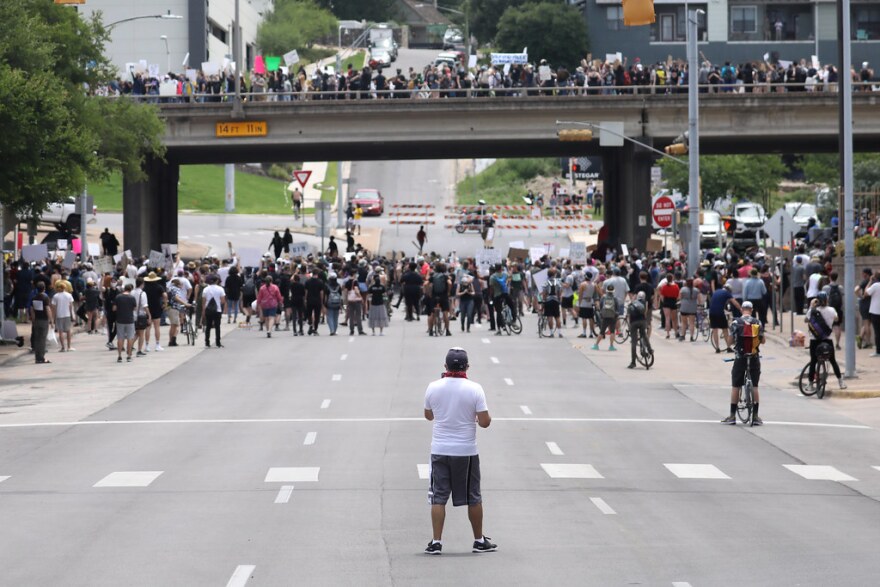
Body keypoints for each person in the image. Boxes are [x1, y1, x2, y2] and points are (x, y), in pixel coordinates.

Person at [423, 347, 496, 555]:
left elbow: (428, 415)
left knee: (438, 496)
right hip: (466, 451)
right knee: (473, 496)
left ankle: (436, 542)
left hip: (440, 449)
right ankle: (479, 540)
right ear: (467, 367)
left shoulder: (433, 387)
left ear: (445, 366)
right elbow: (484, 422)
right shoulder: (475, 389)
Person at [721, 301, 764, 426]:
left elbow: (729, 342)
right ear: (751, 310)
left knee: (736, 386)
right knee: (755, 386)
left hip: (740, 357)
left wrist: (733, 342)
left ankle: (732, 416)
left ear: (742, 310)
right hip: (754, 356)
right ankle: (755, 416)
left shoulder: (735, 323)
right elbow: (763, 340)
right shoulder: (758, 322)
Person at [805, 292, 847, 390]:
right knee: (833, 361)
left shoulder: (813, 310)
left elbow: (806, 320)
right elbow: (836, 319)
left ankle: (811, 384)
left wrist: (811, 306)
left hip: (814, 340)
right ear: (827, 300)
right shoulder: (832, 310)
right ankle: (841, 382)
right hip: (827, 340)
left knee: (813, 361)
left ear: (817, 301)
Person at [709, 283, 740, 353]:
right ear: (729, 290)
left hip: (711, 312)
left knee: (715, 330)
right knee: (725, 329)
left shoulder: (716, 291)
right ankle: (728, 347)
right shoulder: (727, 293)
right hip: (719, 313)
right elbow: (734, 302)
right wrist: (741, 309)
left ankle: (717, 348)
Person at [113, 283, 138, 362]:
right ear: (130, 290)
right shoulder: (132, 298)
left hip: (120, 319)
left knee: (120, 338)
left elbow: (114, 308)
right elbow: (134, 308)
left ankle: (119, 356)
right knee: (130, 337)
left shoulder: (118, 297)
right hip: (130, 320)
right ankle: (129, 355)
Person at [627, 291, 652, 369]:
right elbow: (645, 312)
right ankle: (650, 349)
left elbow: (629, 314)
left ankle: (633, 362)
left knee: (634, 342)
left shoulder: (632, 303)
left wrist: (629, 325)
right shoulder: (645, 302)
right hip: (642, 322)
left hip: (633, 323)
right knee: (644, 335)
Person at [142, 271, 166, 352]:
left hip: (147, 308)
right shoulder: (159, 287)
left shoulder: (145, 288)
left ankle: (147, 345)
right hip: (157, 307)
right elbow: (165, 295)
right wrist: (165, 303)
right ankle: (157, 344)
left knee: (148, 327)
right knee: (157, 327)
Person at [29, 281, 52, 364]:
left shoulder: (34, 298)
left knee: (37, 339)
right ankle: (41, 358)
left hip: (37, 320)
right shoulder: (45, 298)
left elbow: (32, 311)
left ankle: (37, 357)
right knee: (42, 339)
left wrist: (33, 320)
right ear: (44, 288)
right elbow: (47, 309)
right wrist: (51, 321)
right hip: (44, 320)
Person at [201, 275, 227, 348]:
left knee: (208, 326)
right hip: (217, 310)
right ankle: (218, 343)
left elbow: (203, 301)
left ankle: (207, 342)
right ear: (217, 281)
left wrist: (203, 310)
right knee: (217, 326)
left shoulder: (205, 289)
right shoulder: (220, 289)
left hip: (208, 309)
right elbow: (223, 301)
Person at [592, 283, 619, 351]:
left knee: (602, 331)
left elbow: (601, 306)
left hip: (605, 316)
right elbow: (617, 308)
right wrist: (616, 315)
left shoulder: (603, 297)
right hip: (613, 316)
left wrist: (601, 314)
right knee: (612, 331)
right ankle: (611, 346)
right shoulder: (615, 298)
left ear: (607, 290)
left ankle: (596, 345)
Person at [51, 281, 75, 352]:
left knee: (60, 332)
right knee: (68, 331)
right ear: (65, 288)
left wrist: (53, 317)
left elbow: (54, 307)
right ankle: (69, 346)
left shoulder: (55, 296)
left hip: (59, 315)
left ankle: (63, 347)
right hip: (67, 314)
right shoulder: (69, 295)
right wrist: (71, 315)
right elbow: (71, 306)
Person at [540, 268, 563, 338]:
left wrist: (543, 302)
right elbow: (560, 292)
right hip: (556, 300)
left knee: (549, 316)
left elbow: (544, 294)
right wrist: (559, 300)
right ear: (554, 274)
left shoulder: (546, 283)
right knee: (557, 316)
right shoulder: (558, 282)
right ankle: (559, 333)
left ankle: (551, 332)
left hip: (548, 300)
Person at [576, 273, 598, 338]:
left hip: (584, 301)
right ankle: (591, 333)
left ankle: (584, 333)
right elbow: (596, 294)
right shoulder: (594, 284)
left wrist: (578, 304)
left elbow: (580, 295)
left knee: (584, 318)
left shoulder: (582, 284)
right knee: (591, 318)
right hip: (591, 301)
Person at [856, 268, 874, 349]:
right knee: (867, 323)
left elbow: (856, 290)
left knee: (866, 323)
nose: (862, 275)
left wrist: (861, 296)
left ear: (866, 274)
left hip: (864, 304)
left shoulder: (865, 282)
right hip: (870, 304)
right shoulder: (873, 282)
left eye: (863, 273)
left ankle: (861, 338)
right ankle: (867, 342)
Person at [866, 272, 880, 356]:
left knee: (877, 332)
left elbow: (866, 293)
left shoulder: (875, 286)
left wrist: (870, 282)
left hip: (875, 311)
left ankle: (878, 351)